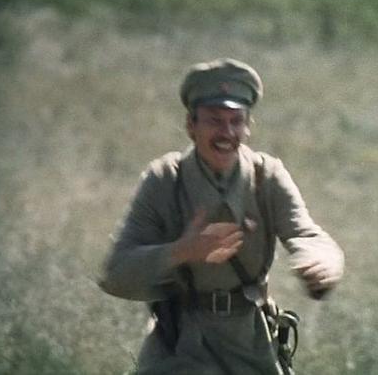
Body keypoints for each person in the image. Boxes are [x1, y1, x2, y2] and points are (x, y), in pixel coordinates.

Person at [100, 58, 345, 375]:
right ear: (191, 125)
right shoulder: (164, 180)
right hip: (179, 348)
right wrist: (182, 251)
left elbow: (306, 234)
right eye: (214, 120)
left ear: (248, 126)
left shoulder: (267, 176)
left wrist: (321, 262)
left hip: (251, 346)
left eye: (236, 121)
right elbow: (115, 274)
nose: (226, 132)